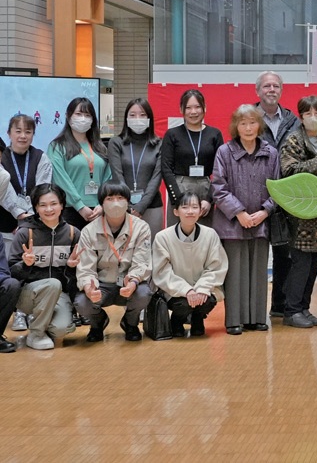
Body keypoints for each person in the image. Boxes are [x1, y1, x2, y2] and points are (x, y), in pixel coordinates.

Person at [211, 104, 279, 336]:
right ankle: (234, 320)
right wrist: (239, 212)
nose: (248, 128)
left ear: (259, 125)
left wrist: (265, 211)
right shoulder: (224, 152)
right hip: (232, 223)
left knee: (259, 272)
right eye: (243, 123)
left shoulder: (271, 153)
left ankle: (257, 318)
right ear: (236, 126)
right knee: (235, 273)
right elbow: (218, 187)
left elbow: (277, 188)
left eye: (252, 122)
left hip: (261, 222)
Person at [277, 95, 317, 328]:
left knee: (313, 264)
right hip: (298, 213)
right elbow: (288, 170)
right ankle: (291, 311)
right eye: (308, 113)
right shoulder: (293, 139)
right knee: (299, 264)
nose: (313, 118)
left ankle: (304, 308)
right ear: (300, 117)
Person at [74, 181, 153, 343]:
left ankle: (130, 323)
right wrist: (89, 288)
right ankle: (97, 323)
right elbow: (85, 268)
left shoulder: (141, 227)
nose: (115, 203)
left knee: (144, 293)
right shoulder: (89, 231)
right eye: (110, 199)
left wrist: (133, 282)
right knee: (81, 302)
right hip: (101, 285)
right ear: (101, 203)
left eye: (120, 198)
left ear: (128, 201)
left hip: (128, 283)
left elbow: (142, 262)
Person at [9, 184, 80, 350]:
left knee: (61, 329)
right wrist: (25, 265)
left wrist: (71, 267)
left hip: (59, 295)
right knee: (53, 283)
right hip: (28, 295)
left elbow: (80, 273)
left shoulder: (72, 233)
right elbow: (10, 273)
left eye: (53, 204)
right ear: (36, 208)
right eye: (43, 205)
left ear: (62, 205)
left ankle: (42, 321)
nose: (49, 209)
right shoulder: (25, 233)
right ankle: (36, 334)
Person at [1, 113, 53, 333]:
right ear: (9, 133)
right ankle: (16, 313)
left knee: (31, 268)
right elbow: (3, 190)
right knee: (11, 270)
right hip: (6, 223)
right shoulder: (2, 157)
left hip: (33, 223)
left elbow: (43, 188)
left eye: (28, 131)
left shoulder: (41, 157)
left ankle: (30, 310)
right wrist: (18, 213)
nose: (23, 136)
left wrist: (29, 217)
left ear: (33, 134)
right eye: (18, 131)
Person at [152, 191, 229, 338]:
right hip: (175, 290)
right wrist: (186, 290)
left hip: (203, 289)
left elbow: (216, 266)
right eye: (185, 207)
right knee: (183, 304)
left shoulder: (210, 234)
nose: (190, 211)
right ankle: (177, 319)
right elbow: (162, 272)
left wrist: (201, 288)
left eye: (194, 207)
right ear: (176, 211)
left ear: (200, 211)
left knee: (207, 300)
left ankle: (197, 318)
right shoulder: (163, 237)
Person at [255, 72, 300, 320]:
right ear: (258, 91)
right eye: (266, 86)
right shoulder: (248, 117)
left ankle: (280, 306)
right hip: (255, 194)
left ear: (281, 90)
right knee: (255, 253)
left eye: (275, 86)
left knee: (286, 253)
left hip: (287, 194)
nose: (271, 89)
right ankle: (252, 310)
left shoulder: (293, 121)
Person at [48, 98, 111, 230]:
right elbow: (60, 179)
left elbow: (108, 177)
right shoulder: (57, 146)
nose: (83, 118)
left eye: (87, 115)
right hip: (70, 209)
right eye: (78, 114)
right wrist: (79, 206)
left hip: (99, 210)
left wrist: (103, 203)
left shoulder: (100, 147)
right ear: (68, 116)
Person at [160, 89, 225, 215]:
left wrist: (209, 199)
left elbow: (221, 170)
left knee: (204, 228)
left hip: (205, 190)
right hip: (180, 188)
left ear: (204, 108)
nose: (193, 112)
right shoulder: (172, 134)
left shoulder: (215, 134)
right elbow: (166, 168)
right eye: (188, 108)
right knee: (179, 227)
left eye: (197, 107)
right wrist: (177, 199)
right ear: (181, 109)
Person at [107, 98, 164, 233]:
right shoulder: (116, 143)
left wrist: (141, 206)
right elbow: (117, 175)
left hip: (152, 206)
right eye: (132, 115)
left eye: (142, 115)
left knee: (151, 245)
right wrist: (128, 204)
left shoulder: (160, 144)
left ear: (149, 118)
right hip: (122, 206)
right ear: (126, 118)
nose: (137, 119)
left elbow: (156, 178)